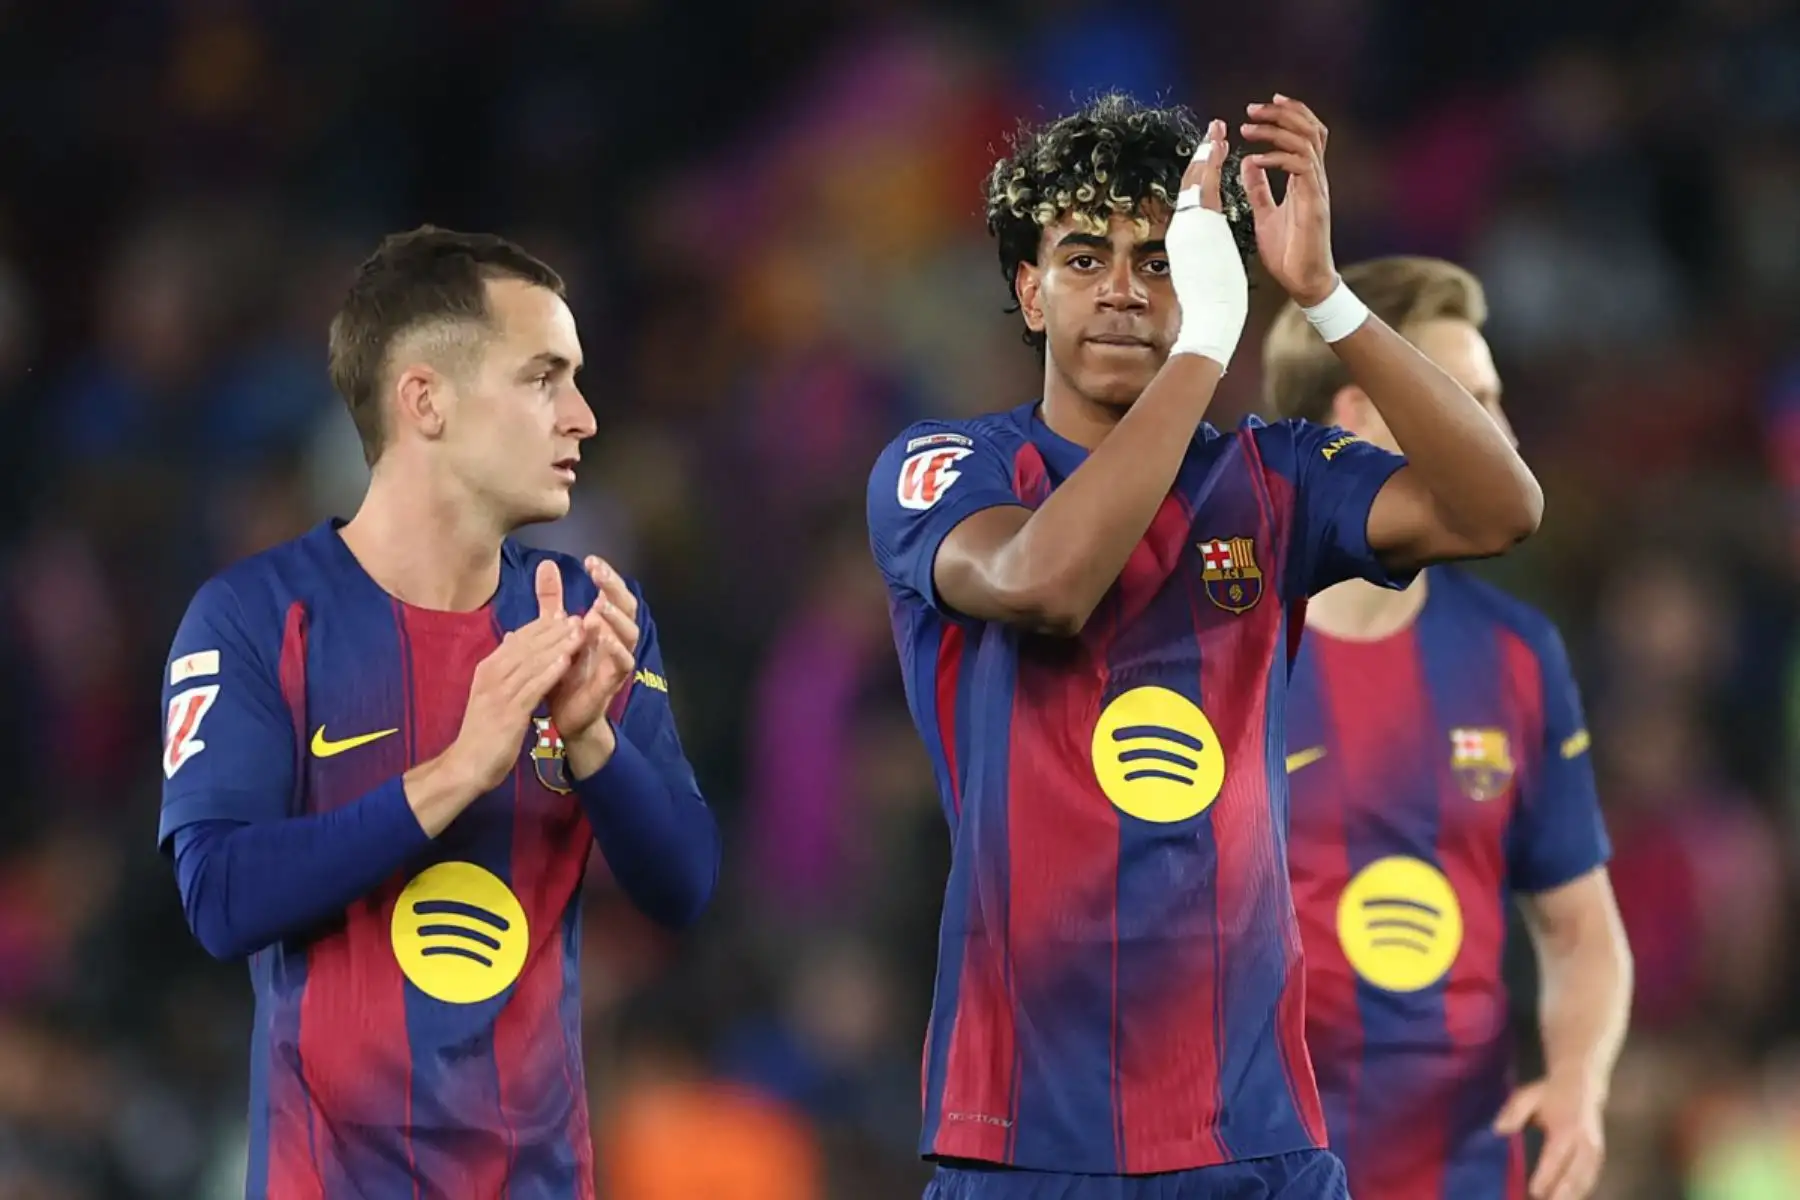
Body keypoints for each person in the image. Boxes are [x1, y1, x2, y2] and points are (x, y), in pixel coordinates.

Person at [864, 92, 1544, 1200]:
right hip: (1029, 1132)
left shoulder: (1274, 479)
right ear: (1029, 292)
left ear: (1210, 281)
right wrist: (1204, 351)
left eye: (1162, 258)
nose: (1126, 288)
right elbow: (1043, 583)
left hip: (1253, 1132)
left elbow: (1499, 510)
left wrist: (1325, 297)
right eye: (1085, 257)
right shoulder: (944, 463)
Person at [158, 226, 719, 1198]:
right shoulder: (254, 617)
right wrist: (460, 769)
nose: (584, 416)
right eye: (545, 377)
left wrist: (591, 740)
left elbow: (684, 885)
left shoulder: (580, 613)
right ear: (426, 399)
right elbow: (218, 898)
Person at [1267, 256, 1633, 1200]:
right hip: (1251, 1169)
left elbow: (1582, 929)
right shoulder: (1220, 650)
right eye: (1468, 403)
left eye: (1496, 403)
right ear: (1359, 417)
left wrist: (1579, 1082)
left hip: (1465, 1169)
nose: (1502, 437)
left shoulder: (1515, 653)